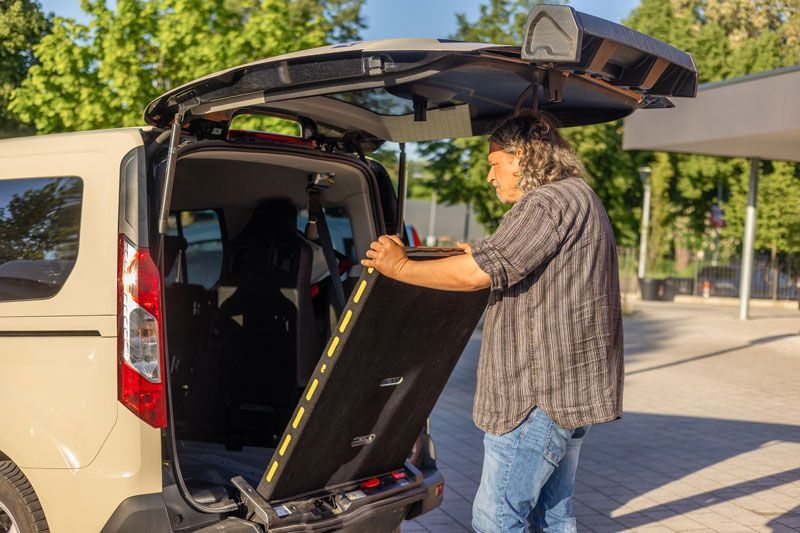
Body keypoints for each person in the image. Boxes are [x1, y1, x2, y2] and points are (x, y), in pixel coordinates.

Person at [361, 111, 624, 532]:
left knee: (497, 518)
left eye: (493, 162)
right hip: (568, 392)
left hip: (536, 396)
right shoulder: (578, 196)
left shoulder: (545, 202)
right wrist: (469, 256)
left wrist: (398, 268)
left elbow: (475, 274)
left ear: (519, 156)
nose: (490, 175)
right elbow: (500, 260)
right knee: (551, 517)